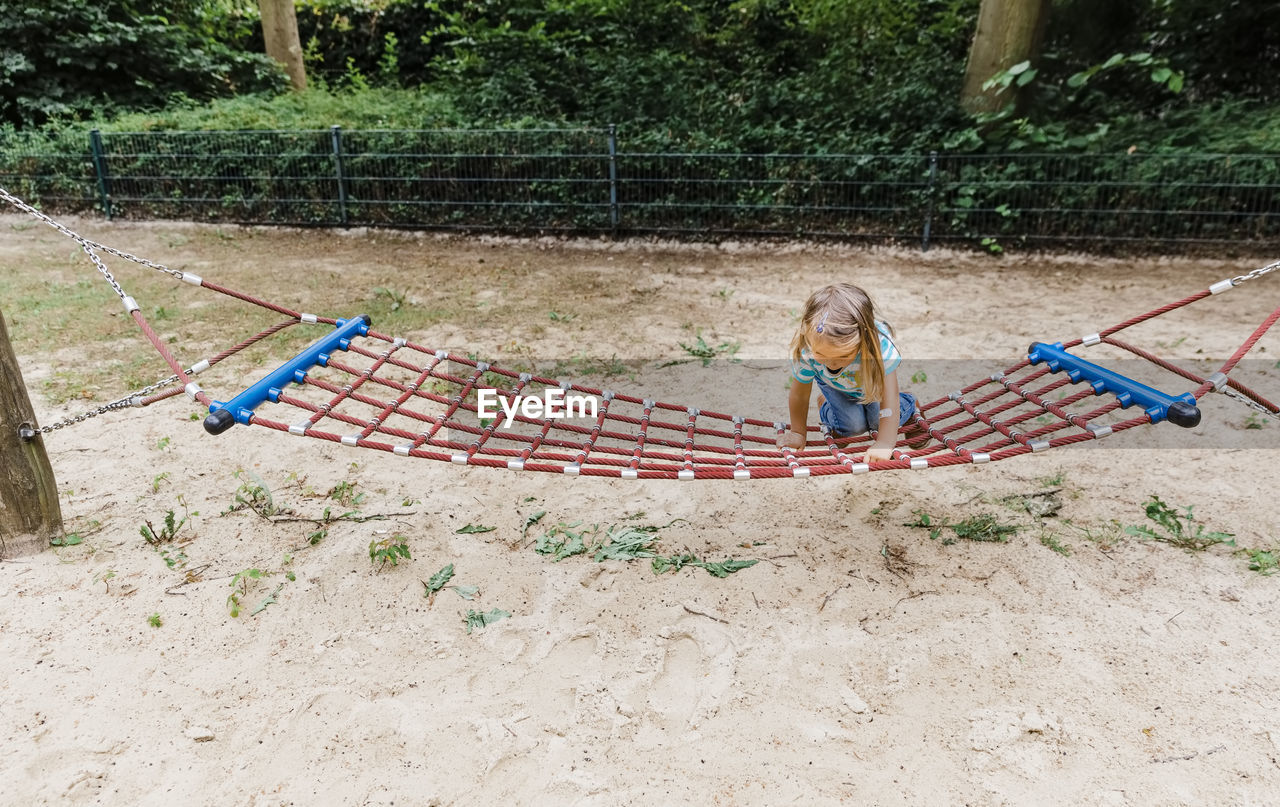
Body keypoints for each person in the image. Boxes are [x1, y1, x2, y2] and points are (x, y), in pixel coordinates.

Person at [776, 282, 926, 462]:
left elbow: (889, 396)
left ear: (863, 341)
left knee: (877, 423)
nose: (831, 362)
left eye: (843, 355)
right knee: (852, 426)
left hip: (872, 385)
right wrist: (798, 432)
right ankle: (828, 404)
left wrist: (885, 442)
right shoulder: (808, 352)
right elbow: (799, 395)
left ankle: (908, 403)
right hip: (836, 387)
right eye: (821, 354)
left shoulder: (877, 349)